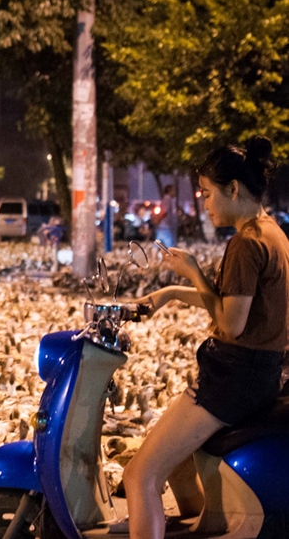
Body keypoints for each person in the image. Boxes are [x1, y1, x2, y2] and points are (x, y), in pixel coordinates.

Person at [124, 137, 289, 539]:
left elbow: (231, 325)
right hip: (259, 372)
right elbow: (240, 306)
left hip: (234, 376)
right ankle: (207, 526)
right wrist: (167, 295)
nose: (205, 203)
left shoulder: (246, 243)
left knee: (138, 477)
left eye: (209, 193)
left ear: (234, 188)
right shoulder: (273, 234)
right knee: (178, 465)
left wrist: (194, 273)